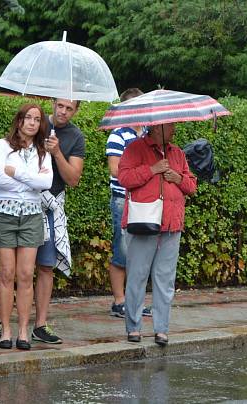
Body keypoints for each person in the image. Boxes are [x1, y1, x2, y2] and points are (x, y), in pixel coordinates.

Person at [118, 122, 197, 346]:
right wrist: (152, 170)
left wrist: (177, 178)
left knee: (165, 280)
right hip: (144, 224)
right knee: (137, 277)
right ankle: (133, 328)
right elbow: (124, 178)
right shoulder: (135, 149)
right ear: (156, 128)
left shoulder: (178, 153)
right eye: (170, 125)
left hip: (172, 226)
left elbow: (192, 186)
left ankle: (161, 329)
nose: (174, 129)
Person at [0, 104, 53, 350]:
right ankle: (5, 329)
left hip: (32, 216)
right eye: (28, 118)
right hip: (3, 214)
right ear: (19, 120)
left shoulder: (43, 152)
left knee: (26, 275)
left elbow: (46, 182)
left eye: (37, 119)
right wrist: (30, 181)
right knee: (6, 273)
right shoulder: (2, 146)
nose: (32, 123)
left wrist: (17, 173)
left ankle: (24, 330)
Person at [32, 98, 86, 345]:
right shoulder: (36, 121)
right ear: (53, 103)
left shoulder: (76, 137)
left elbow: (74, 179)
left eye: (69, 108)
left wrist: (56, 152)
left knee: (45, 266)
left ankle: (40, 325)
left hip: (51, 206)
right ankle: (4, 324)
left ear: (76, 110)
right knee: (14, 270)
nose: (63, 112)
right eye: (60, 106)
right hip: (26, 202)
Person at [106, 88, 146, 318]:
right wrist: (142, 174)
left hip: (145, 200)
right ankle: (119, 302)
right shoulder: (118, 135)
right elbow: (115, 169)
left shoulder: (150, 133)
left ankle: (135, 300)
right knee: (121, 249)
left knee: (141, 251)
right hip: (123, 198)